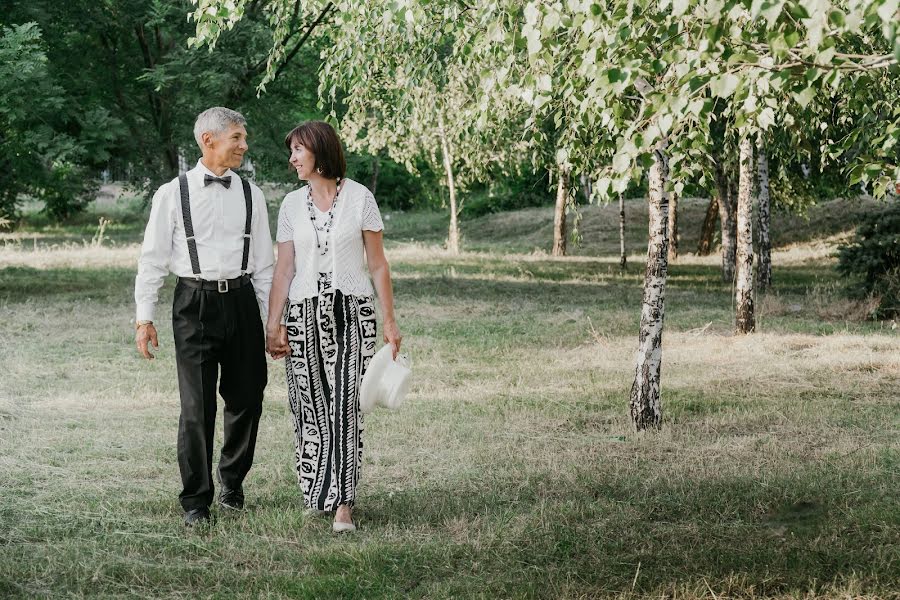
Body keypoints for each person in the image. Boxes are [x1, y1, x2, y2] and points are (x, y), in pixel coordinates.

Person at [134, 107, 274, 526]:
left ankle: (232, 481)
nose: (244, 146)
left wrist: (270, 321)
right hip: (193, 304)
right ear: (208, 140)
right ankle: (196, 500)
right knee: (197, 407)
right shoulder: (171, 194)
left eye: (243, 137)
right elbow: (152, 259)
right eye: (237, 138)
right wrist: (144, 317)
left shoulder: (253, 194)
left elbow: (265, 264)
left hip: (243, 300)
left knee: (247, 398)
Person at [266, 121, 401, 533]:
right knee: (309, 404)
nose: (292, 158)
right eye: (291, 151)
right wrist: (273, 323)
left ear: (320, 151)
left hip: (352, 311)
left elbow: (377, 264)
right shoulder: (290, 205)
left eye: (298, 150)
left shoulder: (360, 198)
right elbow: (284, 269)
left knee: (345, 404)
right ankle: (316, 490)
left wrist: (390, 322)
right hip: (303, 312)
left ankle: (343, 501)